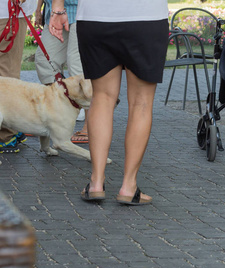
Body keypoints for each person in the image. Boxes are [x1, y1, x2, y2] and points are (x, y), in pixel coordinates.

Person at [49, 0, 169, 205]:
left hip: (96, 17)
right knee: (141, 103)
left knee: (102, 98)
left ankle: (96, 182)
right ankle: (128, 187)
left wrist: (58, 8)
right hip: (146, 16)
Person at [35, 0, 88, 144]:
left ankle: (90, 124)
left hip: (81, 11)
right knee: (44, 61)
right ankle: (56, 115)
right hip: (53, 11)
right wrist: (39, 7)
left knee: (77, 65)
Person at [0, 0, 37, 153]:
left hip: (9, 12)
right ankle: (6, 135)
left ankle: (10, 127)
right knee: (7, 75)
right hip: (7, 13)